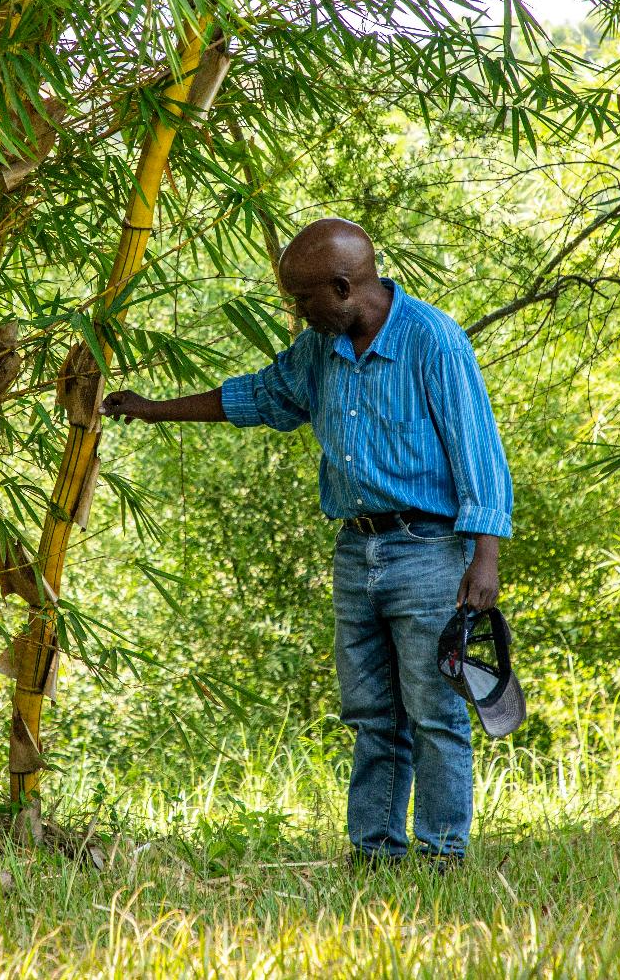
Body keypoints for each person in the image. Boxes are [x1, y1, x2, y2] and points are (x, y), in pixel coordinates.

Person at [102, 218, 512, 866]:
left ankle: (441, 858)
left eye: (303, 300)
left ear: (345, 287)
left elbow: (479, 449)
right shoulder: (320, 349)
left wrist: (484, 553)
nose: (297, 313)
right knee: (373, 714)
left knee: (434, 713)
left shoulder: (433, 340)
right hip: (356, 550)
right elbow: (260, 396)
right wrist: (153, 407)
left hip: (431, 551)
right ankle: (376, 853)